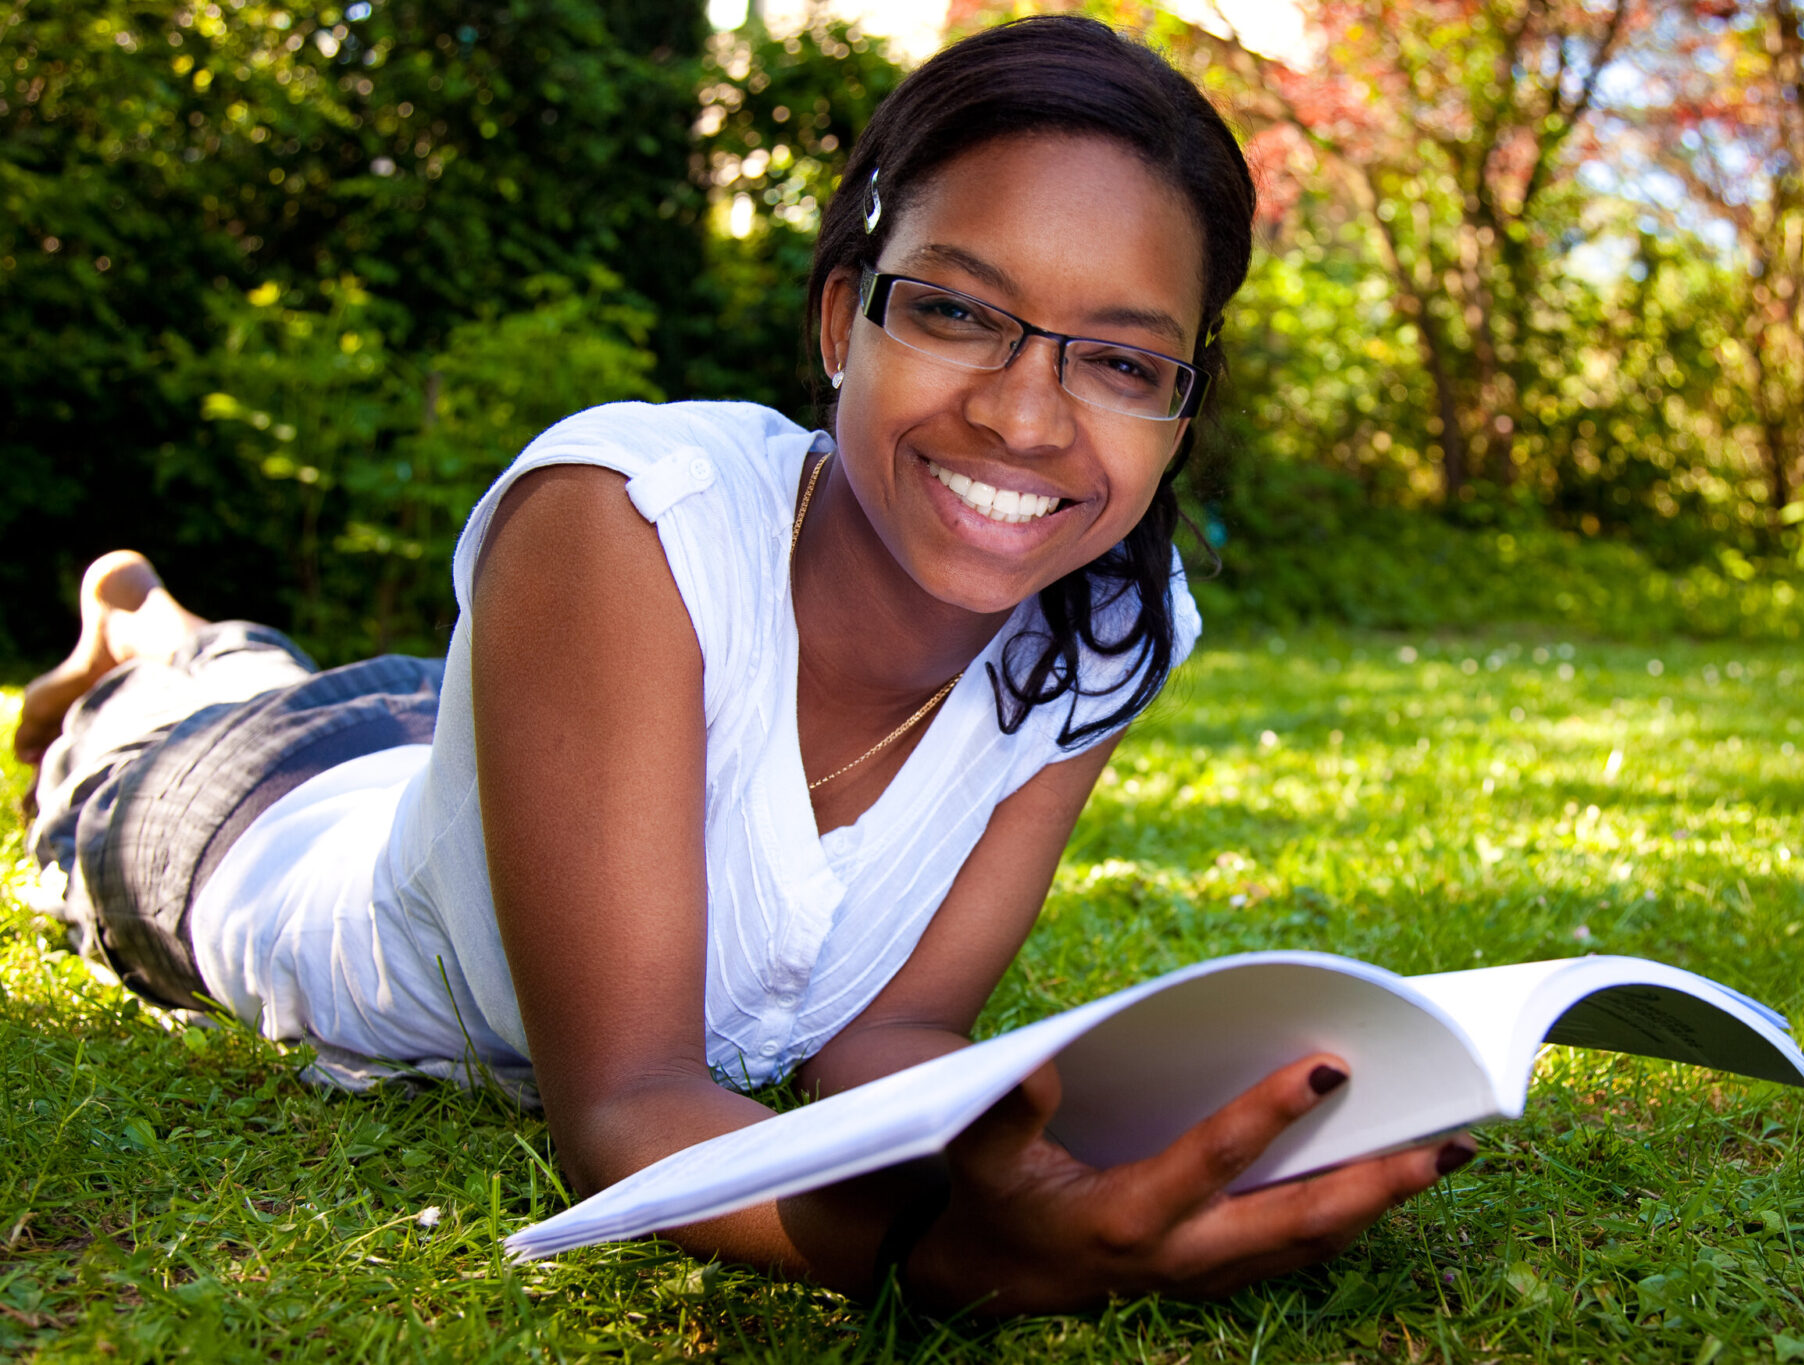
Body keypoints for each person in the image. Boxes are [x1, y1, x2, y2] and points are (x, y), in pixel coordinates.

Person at [13, 15, 1472, 1315]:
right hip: (257, 815)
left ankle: (179, 632)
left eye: (1120, 360)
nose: (1030, 419)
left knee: (326, 691)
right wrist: (949, 1252)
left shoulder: (1107, 625)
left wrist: (1090, 1150)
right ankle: (140, 635)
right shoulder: (623, 519)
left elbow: (894, 1029)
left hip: (494, 734)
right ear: (845, 317)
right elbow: (630, 1104)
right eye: (960, 311)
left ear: (1179, 403)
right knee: (160, 724)